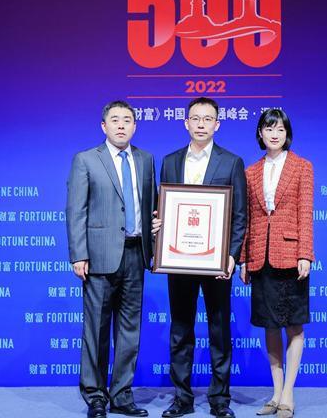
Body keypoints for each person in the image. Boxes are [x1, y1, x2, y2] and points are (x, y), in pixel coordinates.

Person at [154, 97, 247, 418]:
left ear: (217, 124)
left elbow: (239, 215)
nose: (201, 124)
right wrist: (159, 227)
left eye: (208, 119)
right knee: (180, 329)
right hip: (179, 260)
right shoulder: (170, 161)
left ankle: (220, 399)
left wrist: (232, 255)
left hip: (216, 262)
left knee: (219, 330)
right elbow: (163, 208)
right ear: (186, 123)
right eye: (195, 118)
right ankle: (182, 398)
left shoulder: (231, 162)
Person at [67, 100, 156, 418]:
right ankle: (95, 396)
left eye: (127, 120)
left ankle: (121, 395)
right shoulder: (86, 160)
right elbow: (76, 210)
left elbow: (151, 207)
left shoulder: (145, 159)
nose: (121, 125)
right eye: (115, 120)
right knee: (97, 329)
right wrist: (79, 254)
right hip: (99, 256)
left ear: (135, 126)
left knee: (130, 329)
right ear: (103, 126)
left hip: (136, 253)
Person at [239, 109, 314, 418]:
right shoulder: (250, 172)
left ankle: (289, 394)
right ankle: (275, 392)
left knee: (293, 324)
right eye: (269, 128)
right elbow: (247, 219)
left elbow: (305, 213)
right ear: (260, 133)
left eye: (280, 129)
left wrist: (305, 254)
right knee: (270, 325)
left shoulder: (302, 167)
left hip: (291, 256)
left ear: (287, 134)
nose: (274, 134)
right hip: (261, 256)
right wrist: (244, 258)